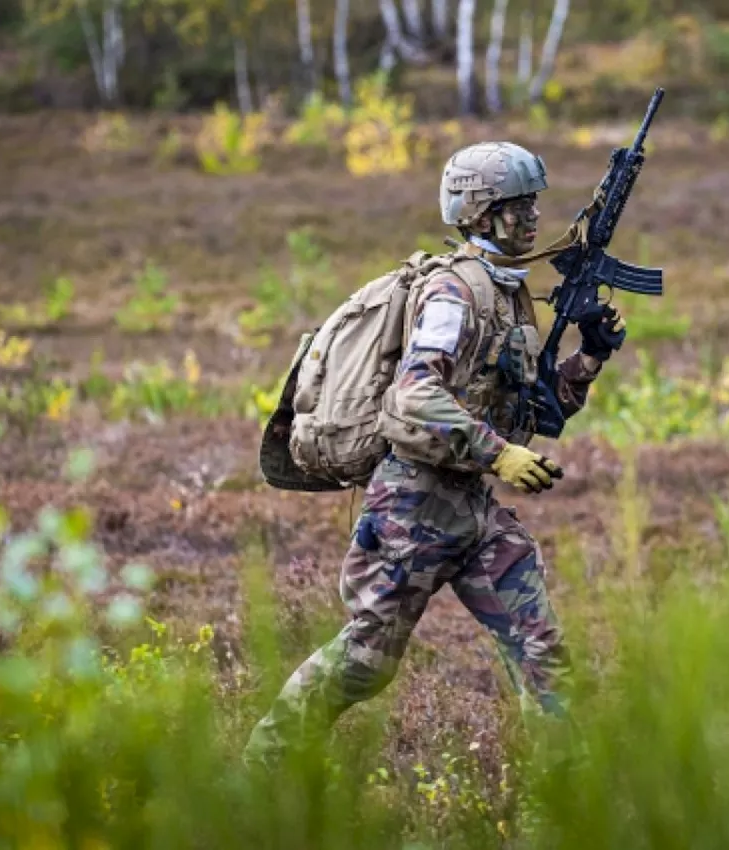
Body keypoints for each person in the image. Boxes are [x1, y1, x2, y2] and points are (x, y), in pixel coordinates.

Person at [243, 141, 627, 768]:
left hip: (473, 510)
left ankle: (570, 798)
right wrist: (499, 456)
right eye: (515, 206)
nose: (532, 218)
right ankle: (260, 767)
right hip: (412, 508)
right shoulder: (454, 293)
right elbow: (414, 397)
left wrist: (588, 359)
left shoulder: (508, 294)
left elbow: (532, 411)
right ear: (478, 214)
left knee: (540, 651)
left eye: (533, 203)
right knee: (365, 661)